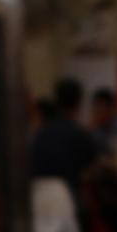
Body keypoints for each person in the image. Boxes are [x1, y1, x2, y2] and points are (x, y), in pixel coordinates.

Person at [30, 78, 97, 223]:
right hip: (70, 206)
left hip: (38, 206)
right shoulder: (80, 134)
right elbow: (90, 172)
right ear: (79, 103)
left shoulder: (40, 134)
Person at [90, 88, 117, 158]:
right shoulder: (96, 130)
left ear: (111, 109)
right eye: (95, 110)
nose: (96, 114)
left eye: (100, 111)